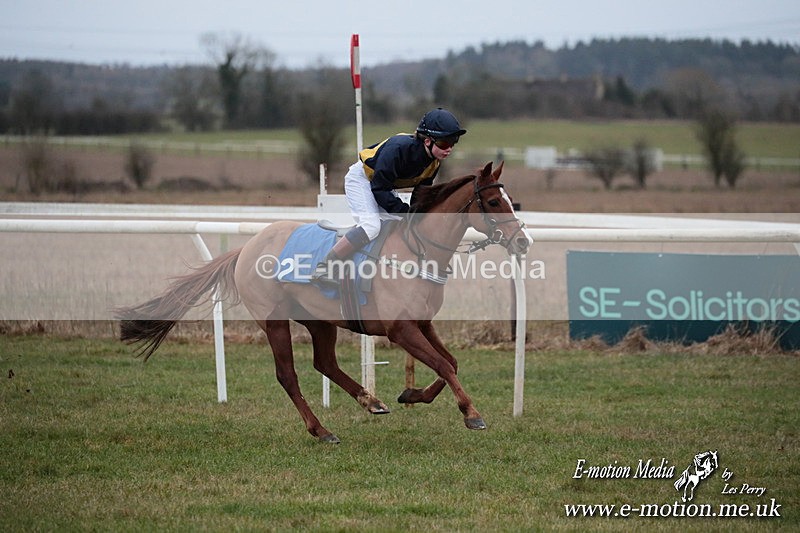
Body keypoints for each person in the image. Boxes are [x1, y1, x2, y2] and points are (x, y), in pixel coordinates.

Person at [314, 107, 467, 285]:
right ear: (427, 141)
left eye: (453, 142)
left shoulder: (433, 163)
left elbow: (420, 194)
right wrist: (405, 211)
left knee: (399, 226)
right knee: (372, 227)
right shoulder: (398, 148)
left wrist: (415, 215)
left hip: (383, 185)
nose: (449, 149)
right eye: (444, 143)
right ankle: (325, 266)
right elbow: (379, 188)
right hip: (362, 180)